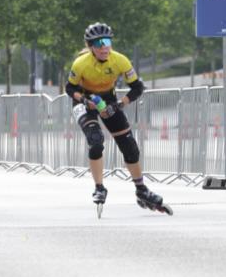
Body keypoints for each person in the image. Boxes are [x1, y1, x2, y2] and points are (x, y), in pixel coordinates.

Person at [66, 22, 171, 213]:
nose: (104, 46)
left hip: (109, 100)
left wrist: (120, 104)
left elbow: (137, 88)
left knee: (129, 146)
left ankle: (141, 190)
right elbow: (69, 88)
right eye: (99, 43)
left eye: (107, 41)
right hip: (84, 101)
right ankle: (99, 188)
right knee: (95, 140)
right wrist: (83, 99)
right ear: (91, 47)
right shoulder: (80, 64)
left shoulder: (120, 60)